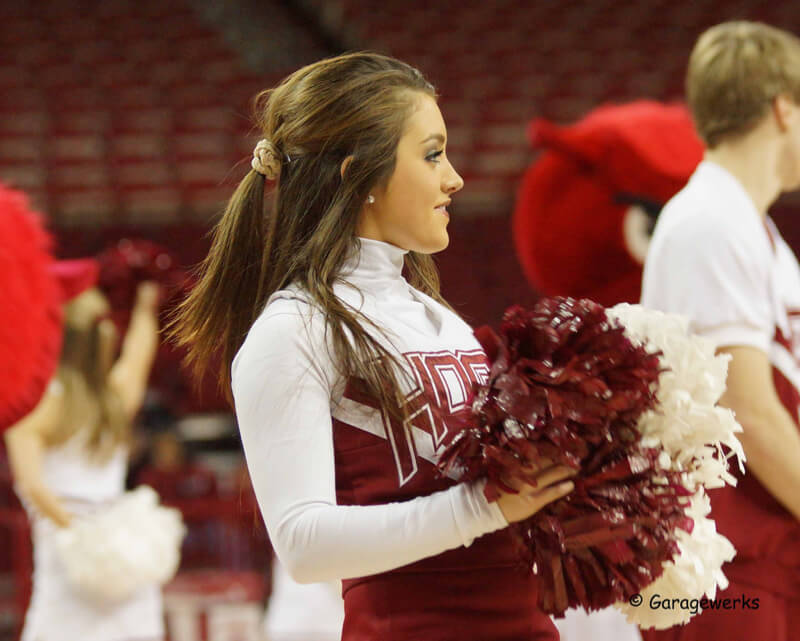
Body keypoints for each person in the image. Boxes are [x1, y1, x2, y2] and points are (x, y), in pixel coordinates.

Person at [170, 52, 576, 640]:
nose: (454, 177)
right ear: (357, 172)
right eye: (432, 154)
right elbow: (303, 545)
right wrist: (485, 507)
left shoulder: (438, 318)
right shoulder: (294, 330)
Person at [640, 21, 800, 641]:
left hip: (760, 550)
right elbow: (750, 410)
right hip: (728, 563)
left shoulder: (748, 225)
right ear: (783, 108)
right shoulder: (710, 220)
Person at [5, 279, 163, 641]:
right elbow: (139, 351)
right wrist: (144, 306)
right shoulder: (116, 397)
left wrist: (80, 534)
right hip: (122, 549)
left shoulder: (34, 405)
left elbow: (30, 485)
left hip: (70, 550)